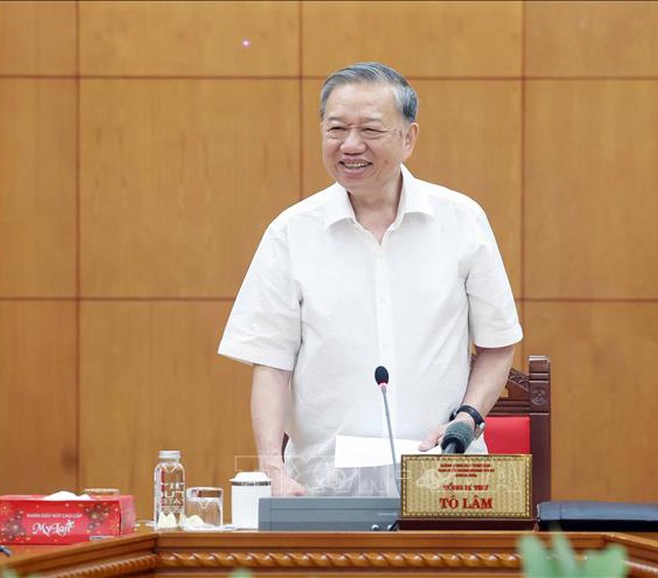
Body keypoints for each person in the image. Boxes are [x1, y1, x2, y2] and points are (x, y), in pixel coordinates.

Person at [218, 62, 522, 497]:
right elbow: (270, 363)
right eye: (336, 129)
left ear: (409, 138)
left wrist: (467, 417)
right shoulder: (290, 233)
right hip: (324, 486)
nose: (350, 145)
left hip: (444, 479)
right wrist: (272, 469)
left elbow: (498, 343)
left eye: (370, 130)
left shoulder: (462, 221)